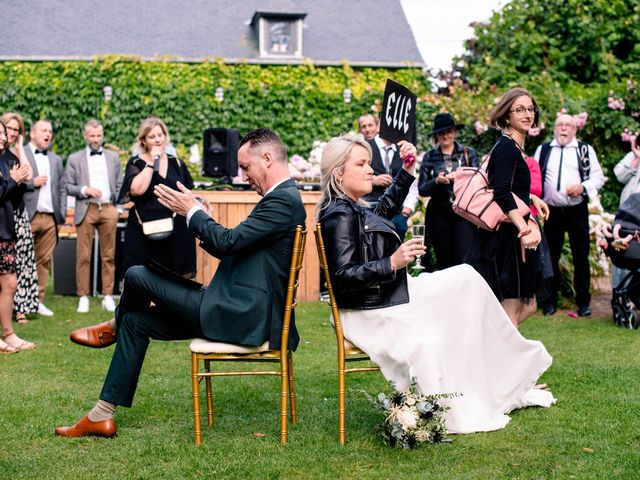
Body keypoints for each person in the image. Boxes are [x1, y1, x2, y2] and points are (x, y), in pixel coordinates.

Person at [55, 128, 307, 437]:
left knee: (136, 275)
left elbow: (228, 243)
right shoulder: (282, 199)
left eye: (245, 167)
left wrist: (193, 211)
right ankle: (101, 415)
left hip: (237, 315)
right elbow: (232, 245)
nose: (243, 176)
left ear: (267, 158)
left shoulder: (281, 200)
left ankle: (114, 325)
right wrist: (204, 221)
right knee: (137, 321)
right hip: (232, 308)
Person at [317, 133, 554, 434]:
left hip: (383, 296)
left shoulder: (351, 206)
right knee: (465, 283)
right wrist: (392, 262)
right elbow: (340, 278)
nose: (370, 170)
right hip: (367, 311)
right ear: (339, 172)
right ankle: (501, 378)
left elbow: (384, 207)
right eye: (362, 164)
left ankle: (500, 376)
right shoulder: (338, 214)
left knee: (468, 279)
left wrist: (407, 169)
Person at [466, 88, 549, 327]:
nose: (527, 114)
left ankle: (490, 345)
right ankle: (498, 355)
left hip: (512, 235)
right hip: (506, 240)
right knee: (512, 308)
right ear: (506, 117)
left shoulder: (514, 147)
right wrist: (524, 229)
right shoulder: (505, 148)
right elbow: (501, 192)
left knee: (529, 304)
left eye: (531, 108)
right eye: (519, 109)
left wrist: (532, 198)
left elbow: (508, 186)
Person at [534, 114, 606, 317]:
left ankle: (583, 303)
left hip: (576, 211)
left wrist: (583, 187)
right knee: (550, 257)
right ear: (555, 128)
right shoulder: (544, 149)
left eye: (568, 125)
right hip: (551, 212)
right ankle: (549, 302)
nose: (563, 129)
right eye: (560, 125)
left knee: (580, 257)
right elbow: (535, 175)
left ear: (575, 129)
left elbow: (598, 177)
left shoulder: (584, 150)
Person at [118, 117, 195, 277]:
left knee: (174, 282)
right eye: (152, 136)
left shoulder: (177, 163)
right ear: (144, 141)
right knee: (141, 280)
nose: (157, 139)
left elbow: (188, 193)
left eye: (160, 135)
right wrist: (152, 162)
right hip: (143, 230)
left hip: (176, 230)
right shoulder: (136, 162)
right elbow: (137, 190)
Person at [65, 120, 123, 313]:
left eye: (99, 135)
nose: (96, 139)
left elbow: (120, 184)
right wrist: (84, 189)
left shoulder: (113, 157)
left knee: (109, 254)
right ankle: (83, 296)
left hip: (108, 208)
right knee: (83, 255)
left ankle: (107, 295)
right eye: (92, 136)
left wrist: (118, 208)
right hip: (86, 207)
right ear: (85, 136)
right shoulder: (74, 158)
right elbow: (67, 186)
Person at [418, 112, 478, 269]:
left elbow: (477, 181)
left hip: (462, 212)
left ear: (455, 132)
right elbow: (422, 189)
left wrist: (459, 178)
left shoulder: (467, 153)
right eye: (441, 133)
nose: (445, 136)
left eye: (449, 131)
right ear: (436, 135)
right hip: (439, 214)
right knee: (444, 261)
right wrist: (436, 181)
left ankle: (463, 293)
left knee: (463, 260)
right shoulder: (429, 156)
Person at [22, 120, 67, 317]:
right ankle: (20, 303)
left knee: (44, 261)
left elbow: (62, 187)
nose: (48, 134)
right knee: (22, 260)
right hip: (27, 215)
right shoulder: (20, 152)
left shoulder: (56, 159)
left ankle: (38, 301)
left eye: (50, 131)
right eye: (44, 131)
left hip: (49, 218)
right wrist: (32, 183)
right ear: (32, 134)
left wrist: (62, 213)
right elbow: (12, 182)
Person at [0, 121, 36, 352]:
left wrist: (15, 179)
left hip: (4, 230)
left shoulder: (5, 159)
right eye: (0, 133)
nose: (3, 137)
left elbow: (17, 189)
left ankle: (8, 333)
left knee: (10, 283)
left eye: (3, 133)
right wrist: (12, 180)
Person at [363, 124, 419, 240]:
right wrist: (372, 180)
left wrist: (405, 213)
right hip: (371, 214)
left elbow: (413, 186)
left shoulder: (404, 150)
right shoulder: (366, 147)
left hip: (397, 217)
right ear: (379, 124)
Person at [611, 137, 640, 287]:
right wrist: (635, 159)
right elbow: (619, 176)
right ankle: (620, 292)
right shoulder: (633, 155)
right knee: (621, 251)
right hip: (627, 215)